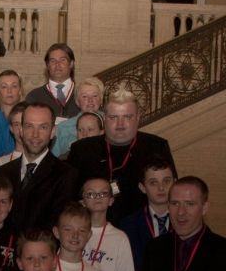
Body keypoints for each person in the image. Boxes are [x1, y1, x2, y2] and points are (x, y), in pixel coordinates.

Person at [68, 87, 176, 225]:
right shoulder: (82, 149)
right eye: (113, 117)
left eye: (127, 117)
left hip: (145, 229)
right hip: (93, 229)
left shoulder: (156, 146)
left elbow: (172, 192)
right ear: (105, 118)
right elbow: (70, 198)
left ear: (138, 118)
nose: (120, 124)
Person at [0, 102, 78, 233]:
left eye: (43, 127)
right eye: (29, 126)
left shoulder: (66, 175)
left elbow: (58, 225)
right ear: (20, 130)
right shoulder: (0, 173)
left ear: (52, 132)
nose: (35, 134)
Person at [118, 157, 176, 271]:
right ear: (142, 187)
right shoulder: (128, 225)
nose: (161, 188)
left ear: (174, 183)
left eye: (166, 181)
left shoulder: (187, 220)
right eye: (153, 182)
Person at [51, 77, 104, 158]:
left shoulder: (111, 123)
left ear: (101, 100)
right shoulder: (62, 128)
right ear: (77, 101)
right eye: (84, 96)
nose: (90, 100)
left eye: (95, 96)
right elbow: (54, 160)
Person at [26, 43, 79, 120]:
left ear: (71, 64)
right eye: (53, 61)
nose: (57, 64)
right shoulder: (34, 96)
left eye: (62, 60)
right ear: (47, 65)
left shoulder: (84, 94)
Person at [0, 100, 26, 171]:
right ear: (11, 128)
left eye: (25, 124)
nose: (21, 129)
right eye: (16, 124)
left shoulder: (45, 161)